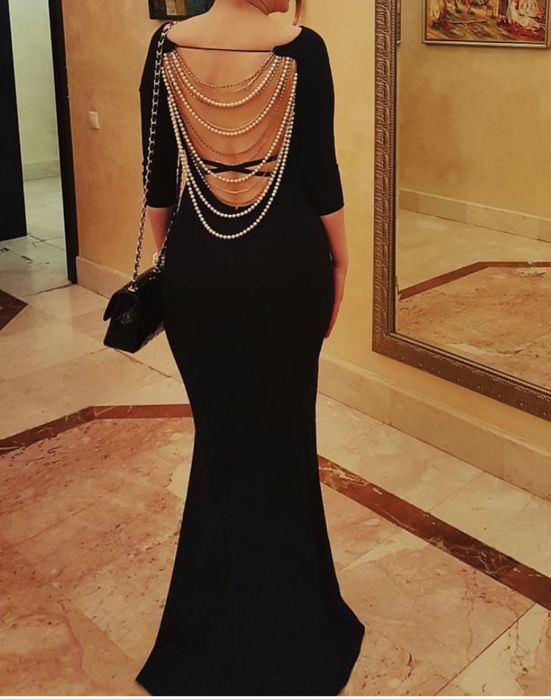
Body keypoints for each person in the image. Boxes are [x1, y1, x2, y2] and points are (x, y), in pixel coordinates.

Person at [132, 0, 365, 694]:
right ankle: (293, 628)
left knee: (224, 439)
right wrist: (342, 262)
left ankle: (209, 625)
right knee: (283, 439)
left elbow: (157, 183)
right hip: (287, 263)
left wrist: (186, 265)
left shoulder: (165, 47)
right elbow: (320, 173)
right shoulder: (301, 48)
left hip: (198, 266)